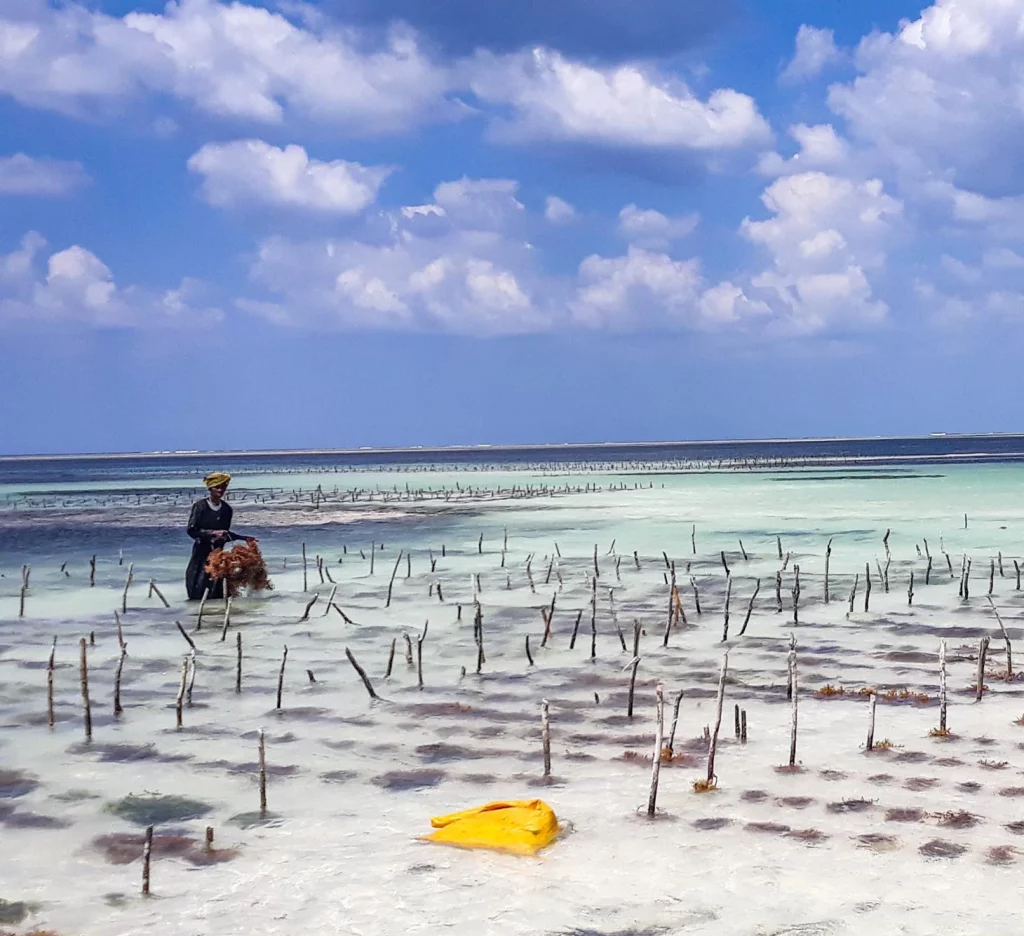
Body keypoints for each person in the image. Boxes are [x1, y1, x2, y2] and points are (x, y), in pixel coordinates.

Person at [185, 472, 254, 600]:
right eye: (217, 487)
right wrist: (212, 533)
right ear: (210, 488)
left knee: (218, 593)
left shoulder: (227, 510)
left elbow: (226, 534)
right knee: (197, 591)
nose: (220, 490)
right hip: (200, 557)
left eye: (223, 487)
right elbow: (191, 530)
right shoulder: (200, 507)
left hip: (219, 558)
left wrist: (243, 538)